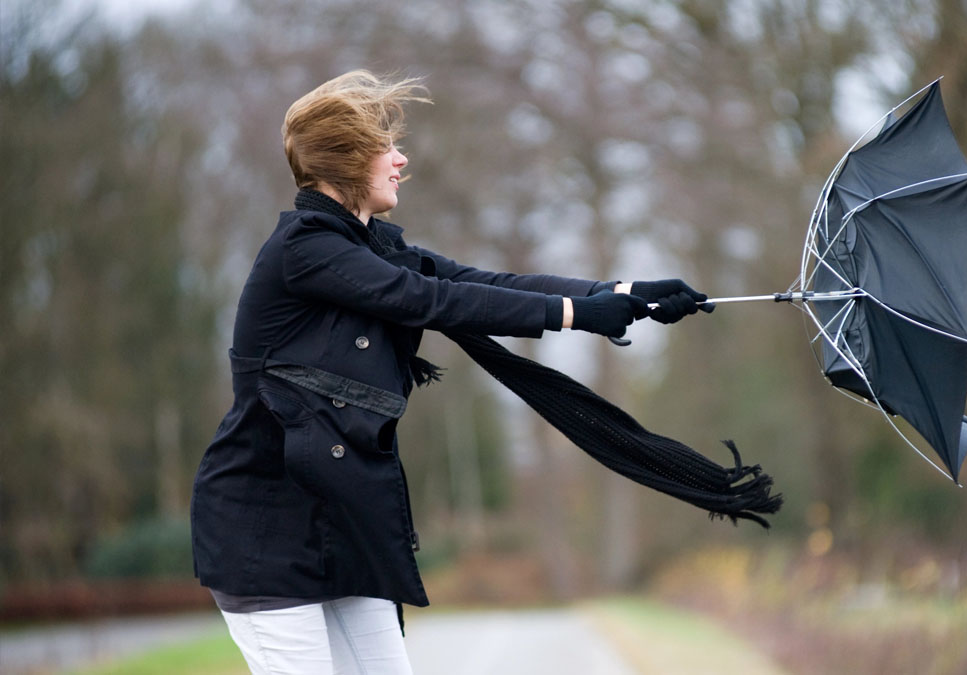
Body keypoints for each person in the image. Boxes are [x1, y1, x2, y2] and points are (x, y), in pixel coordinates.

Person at [189, 70, 710, 674]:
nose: (401, 159)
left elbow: (476, 283)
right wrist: (577, 315)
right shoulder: (305, 249)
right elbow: (429, 301)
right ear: (347, 159)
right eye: (386, 147)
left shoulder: (367, 246)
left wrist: (620, 292)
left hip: (342, 524)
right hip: (264, 533)